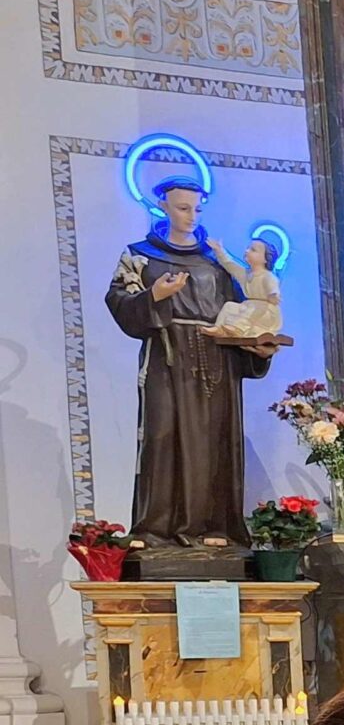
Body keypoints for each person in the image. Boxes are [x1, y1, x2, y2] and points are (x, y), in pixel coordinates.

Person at [104, 176, 276, 546]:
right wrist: (156, 295)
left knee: (215, 441)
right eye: (183, 208)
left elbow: (244, 313)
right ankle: (157, 531)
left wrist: (257, 351)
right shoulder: (139, 254)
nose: (191, 216)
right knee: (162, 438)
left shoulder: (217, 262)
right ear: (162, 206)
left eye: (197, 208)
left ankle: (214, 529)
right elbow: (120, 303)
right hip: (168, 358)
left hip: (217, 361)